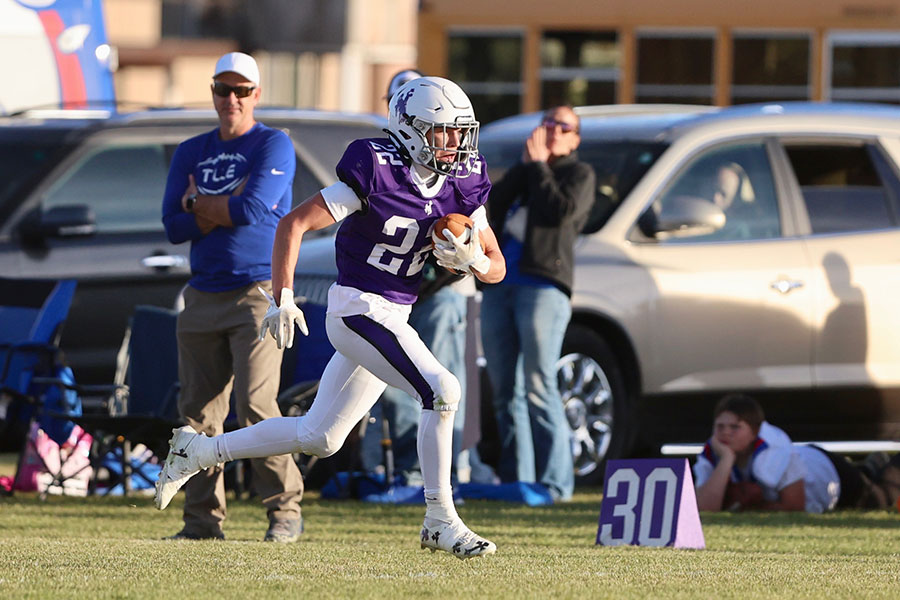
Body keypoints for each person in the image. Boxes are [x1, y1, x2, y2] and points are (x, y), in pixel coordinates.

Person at [155, 76, 506, 558]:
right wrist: (283, 296)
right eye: (441, 132)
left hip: (394, 315)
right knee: (443, 390)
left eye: (459, 133)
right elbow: (292, 223)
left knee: (318, 437)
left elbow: (497, 266)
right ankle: (440, 519)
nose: (453, 145)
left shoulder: (464, 181)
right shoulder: (376, 168)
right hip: (356, 307)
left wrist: (474, 261)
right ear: (409, 129)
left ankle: (197, 451)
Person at [160, 52, 304, 542]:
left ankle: (284, 512)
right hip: (201, 293)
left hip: (257, 293)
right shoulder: (190, 149)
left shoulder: (274, 143)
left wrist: (196, 201)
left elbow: (254, 207)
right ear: (213, 92)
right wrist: (215, 207)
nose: (232, 100)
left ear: (256, 95)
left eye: (242, 91)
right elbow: (173, 226)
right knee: (197, 415)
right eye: (223, 89)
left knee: (257, 406)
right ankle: (201, 522)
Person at [361, 68, 476, 485]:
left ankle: (436, 476)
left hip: (440, 289)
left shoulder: (458, 162)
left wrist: (465, 253)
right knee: (393, 383)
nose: (446, 137)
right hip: (394, 290)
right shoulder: (380, 161)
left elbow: (480, 241)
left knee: (441, 380)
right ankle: (394, 470)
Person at [480, 105, 595, 502]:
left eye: (563, 126)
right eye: (548, 122)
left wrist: (540, 168)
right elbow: (490, 206)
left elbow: (559, 211)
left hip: (543, 287)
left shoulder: (580, 174)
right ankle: (520, 482)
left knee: (538, 384)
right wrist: (527, 167)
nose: (553, 130)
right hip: (499, 287)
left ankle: (557, 484)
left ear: (575, 138)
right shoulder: (527, 168)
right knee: (503, 391)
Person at [693, 393, 891, 512]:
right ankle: (869, 467)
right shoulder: (716, 452)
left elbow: (795, 506)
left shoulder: (775, 451)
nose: (726, 433)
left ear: (754, 431)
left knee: (882, 498)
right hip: (813, 464)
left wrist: (754, 505)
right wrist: (726, 460)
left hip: (829, 471)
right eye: (720, 426)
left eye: (735, 427)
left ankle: (880, 467)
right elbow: (705, 508)